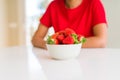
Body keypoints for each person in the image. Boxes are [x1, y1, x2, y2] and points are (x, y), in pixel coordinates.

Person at [32, 0, 107, 49]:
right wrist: (53, 46)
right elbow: (35, 39)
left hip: (89, 60)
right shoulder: (54, 5)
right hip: (62, 60)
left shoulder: (94, 3)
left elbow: (101, 41)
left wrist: (65, 44)